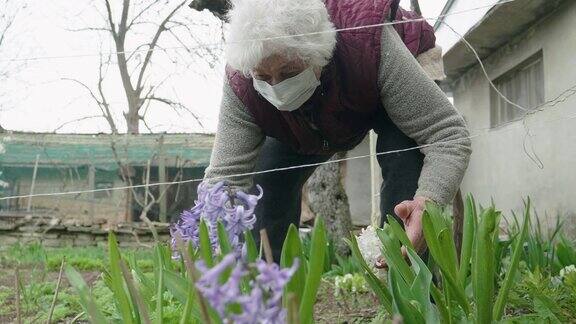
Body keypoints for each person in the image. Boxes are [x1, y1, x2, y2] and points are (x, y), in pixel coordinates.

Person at [202, 0, 472, 262]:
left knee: (404, 160)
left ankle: (411, 291)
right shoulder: (242, 82)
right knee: (268, 178)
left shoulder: (368, 43)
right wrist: (214, 242)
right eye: (263, 77)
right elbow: (224, 178)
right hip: (307, 119)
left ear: (320, 55)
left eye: (289, 72)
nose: (276, 87)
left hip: (377, 77)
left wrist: (429, 202)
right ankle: (266, 294)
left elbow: (446, 134)